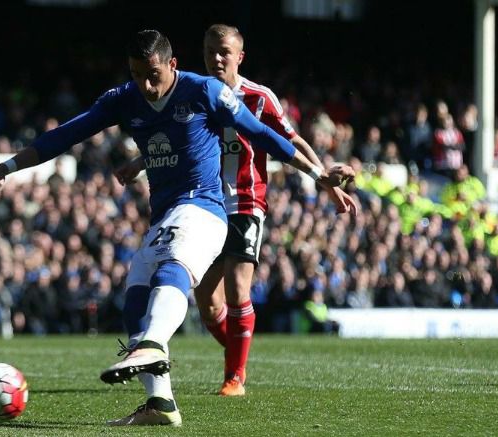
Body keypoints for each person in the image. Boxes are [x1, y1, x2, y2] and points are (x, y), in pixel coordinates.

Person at [0, 29, 353, 427]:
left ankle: (159, 347)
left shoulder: (203, 91)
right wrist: (7, 168)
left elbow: (263, 135)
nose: (146, 85)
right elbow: (66, 134)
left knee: (174, 268)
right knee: (136, 291)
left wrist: (317, 174)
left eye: (153, 74)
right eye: (137, 75)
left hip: (205, 208)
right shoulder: (125, 99)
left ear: (172, 65)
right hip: (166, 212)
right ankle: (161, 404)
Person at [115, 24, 358, 397]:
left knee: (237, 288)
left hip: (245, 200)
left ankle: (235, 377)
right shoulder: (194, 91)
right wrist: (140, 162)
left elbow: (287, 140)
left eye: (224, 52)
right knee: (208, 305)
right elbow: (185, 145)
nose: (216, 58)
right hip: (200, 207)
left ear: (239, 56)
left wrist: (322, 177)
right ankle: (236, 352)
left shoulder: (259, 98)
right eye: (210, 50)